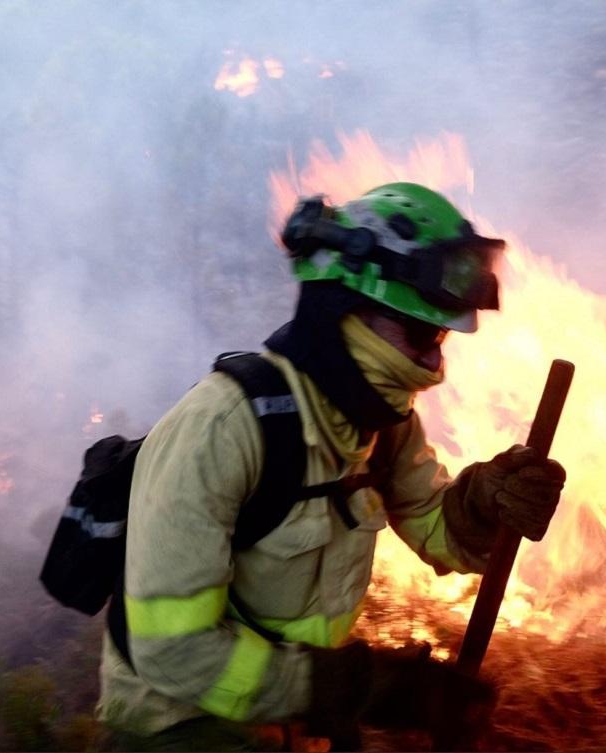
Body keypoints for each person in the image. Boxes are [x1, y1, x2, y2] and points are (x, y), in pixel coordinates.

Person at [97, 183, 566, 751]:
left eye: (441, 336)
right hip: (179, 728)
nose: (434, 361)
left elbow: (436, 527)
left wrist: (482, 505)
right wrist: (364, 689)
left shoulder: (380, 421)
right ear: (345, 309)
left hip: (287, 721)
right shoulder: (221, 430)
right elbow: (176, 652)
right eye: (419, 333)